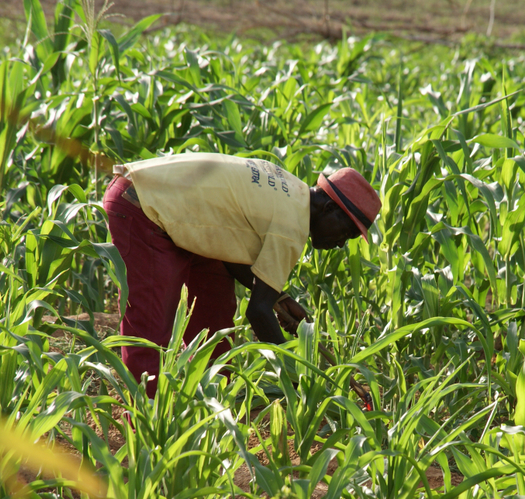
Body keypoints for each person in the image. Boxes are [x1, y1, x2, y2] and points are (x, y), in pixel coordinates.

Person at [102, 152, 381, 397]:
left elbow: (231, 249)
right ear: (330, 208)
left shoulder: (293, 191)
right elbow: (257, 313)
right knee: (150, 331)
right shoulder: (292, 225)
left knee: (214, 319)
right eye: (345, 232)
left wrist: (279, 299)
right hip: (143, 207)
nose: (341, 242)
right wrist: (298, 378)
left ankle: (210, 402)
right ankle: (148, 425)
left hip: (181, 216)